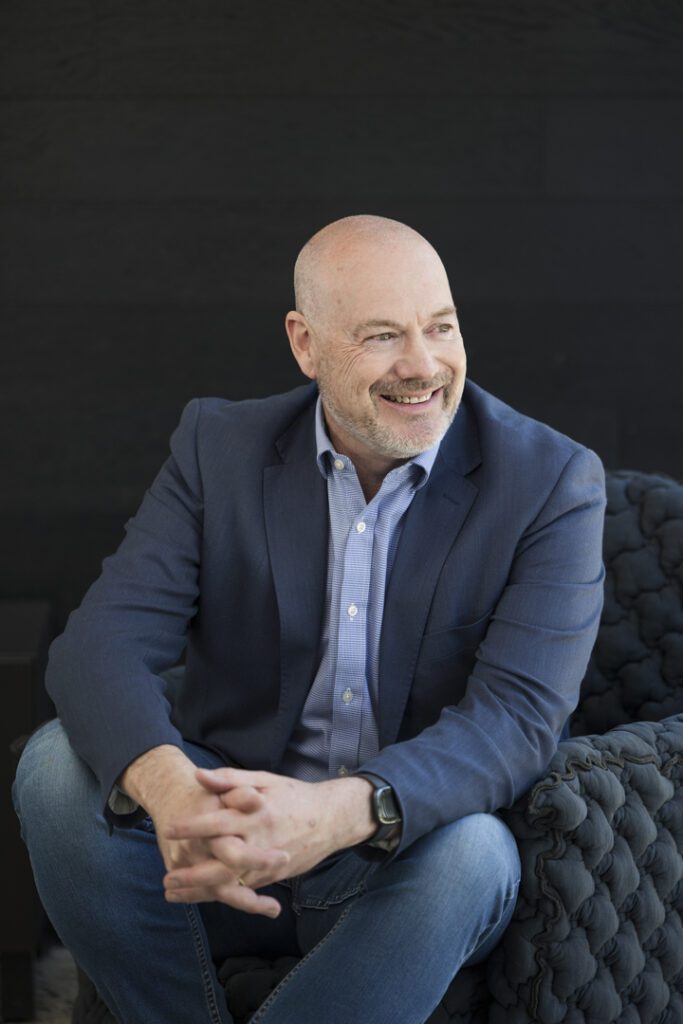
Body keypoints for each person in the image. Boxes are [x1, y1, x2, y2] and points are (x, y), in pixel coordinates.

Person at [13, 214, 606, 1024]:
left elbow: (518, 720)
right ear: (305, 344)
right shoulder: (217, 447)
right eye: (381, 337)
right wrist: (174, 795)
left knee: (475, 852)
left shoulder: (551, 480)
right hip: (221, 850)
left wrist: (333, 814)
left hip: (397, 866)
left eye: (441, 327)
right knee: (50, 767)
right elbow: (99, 647)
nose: (423, 366)